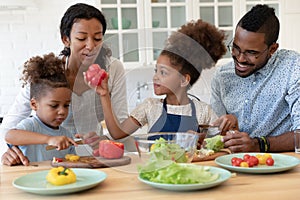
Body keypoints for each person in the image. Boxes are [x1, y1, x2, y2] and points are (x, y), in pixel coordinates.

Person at [1, 3, 128, 165]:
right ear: (66, 39)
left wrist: (105, 140)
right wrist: (11, 152)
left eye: (97, 38)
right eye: (82, 38)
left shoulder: (113, 69)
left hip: (93, 157)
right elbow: (8, 128)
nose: (91, 46)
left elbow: (120, 125)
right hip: (48, 158)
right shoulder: (47, 74)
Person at [88, 19, 236, 141]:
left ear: (184, 80)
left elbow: (223, 142)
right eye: (156, 71)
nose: (155, 77)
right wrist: (104, 94)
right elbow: (117, 133)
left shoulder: (204, 111)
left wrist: (205, 141)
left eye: (163, 73)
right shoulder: (149, 107)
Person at [210, 4, 300, 153]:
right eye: (236, 48)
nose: (240, 58)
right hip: (235, 164)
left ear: (272, 49)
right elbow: (214, 135)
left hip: (282, 168)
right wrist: (224, 130)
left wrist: (258, 145)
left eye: (251, 52)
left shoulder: (293, 68)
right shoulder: (222, 77)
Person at [5, 53, 78, 162]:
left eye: (66, 105)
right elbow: (10, 136)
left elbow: (72, 160)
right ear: (34, 104)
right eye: (54, 106)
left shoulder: (66, 134)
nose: (62, 111)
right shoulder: (31, 125)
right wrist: (48, 139)